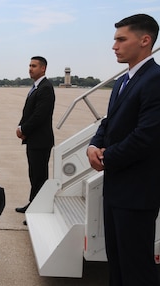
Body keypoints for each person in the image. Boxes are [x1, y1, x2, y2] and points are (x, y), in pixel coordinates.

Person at [87, 14, 160, 286]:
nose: (114, 46)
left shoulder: (155, 79)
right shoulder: (122, 81)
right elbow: (109, 121)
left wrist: (106, 157)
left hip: (138, 193)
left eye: (121, 39)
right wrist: (94, 144)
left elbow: (147, 136)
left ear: (145, 40)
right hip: (116, 189)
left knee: (136, 267)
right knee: (116, 262)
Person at [15, 56, 55, 222]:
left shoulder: (45, 88)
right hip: (34, 139)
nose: (30, 68)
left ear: (43, 68)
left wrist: (23, 129)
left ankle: (38, 209)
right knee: (34, 174)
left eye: (34, 66)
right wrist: (21, 126)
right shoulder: (37, 87)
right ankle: (33, 203)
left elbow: (40, 115)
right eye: (29, 65)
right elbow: (29, 112)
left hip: (40, 140)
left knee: (39, 176)